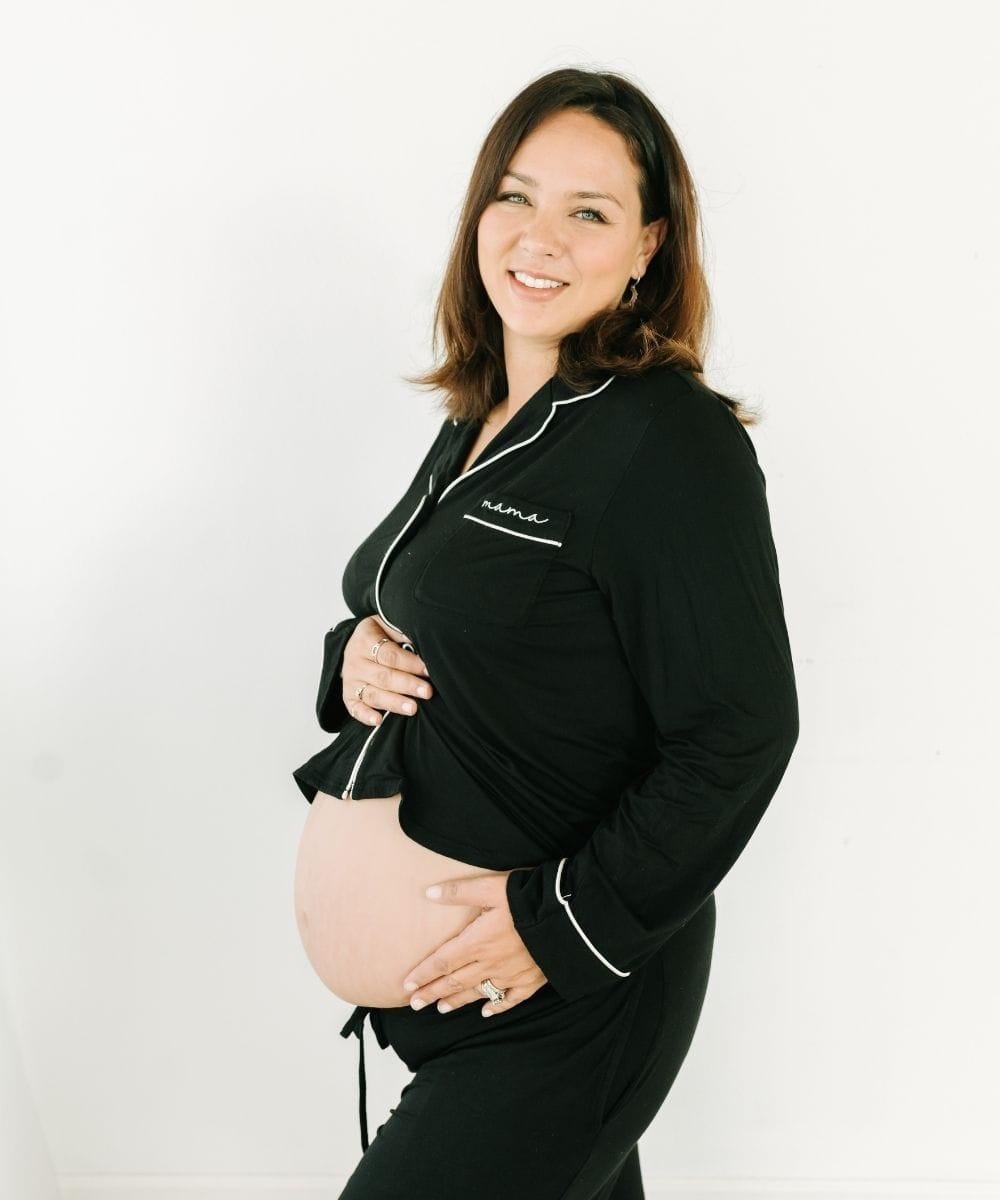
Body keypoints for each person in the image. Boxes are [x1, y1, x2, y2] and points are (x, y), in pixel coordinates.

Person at [292, 66, 799, 1199]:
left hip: (563, 1005)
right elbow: (423, 608)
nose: (540, 237)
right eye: (515, 197)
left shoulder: (672, 445)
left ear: (648, 248)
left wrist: (554, 927)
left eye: (591, 212)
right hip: (455, 1002)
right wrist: (352, 658)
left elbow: (739, 732)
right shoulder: (488, 414)